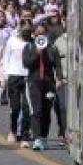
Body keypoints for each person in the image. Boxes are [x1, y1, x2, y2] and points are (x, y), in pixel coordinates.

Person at [23, 22, 56, 151]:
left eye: (43, 33)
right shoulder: (29, 47)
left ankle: (43, 137)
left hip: (48, 83)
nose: (40, 35)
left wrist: (59, 79)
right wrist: (37, 53)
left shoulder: (51, 48)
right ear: (34, 34)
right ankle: (36, 138)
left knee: (46, 112)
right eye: (38, 32)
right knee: (36, 111)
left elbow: (55, 63)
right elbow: (27, 64)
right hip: (34, 82)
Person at [0, 22, 32, 147]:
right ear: (19, 30)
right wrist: (5, 75)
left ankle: (24, 135)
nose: (26, 33)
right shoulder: (12, 41)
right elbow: (6, 57)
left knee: (26, 107)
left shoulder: (31, 42)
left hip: (27, 76)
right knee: (15, 107)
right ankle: (12, 131)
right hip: (13, 76)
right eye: (24, 31)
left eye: (29, 31)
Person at [50, 25, 68, 146]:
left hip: (78, 79)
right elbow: (54, 62)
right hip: (63, 80)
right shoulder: (59, 41)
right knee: (62, 107)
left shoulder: (82, 39)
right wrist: (56, 79)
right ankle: (62, 132)